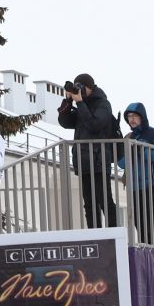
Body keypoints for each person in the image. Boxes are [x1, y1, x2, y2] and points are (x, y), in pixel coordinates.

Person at [56, 74, 119, 229]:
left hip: (99, 159)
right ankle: (94, 233)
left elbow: (94, 124)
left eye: (82, 87)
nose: (80, 91)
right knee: (89, 202)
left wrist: (80, 103)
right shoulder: (80, 104)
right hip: (83, 161)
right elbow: (64, 122)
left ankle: (112, 232)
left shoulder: (103, 104)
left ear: (91, 87)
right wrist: (68, 101)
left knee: (104, 199)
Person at [121, 102, 154, 245]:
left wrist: (142, 150)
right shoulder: (128, 137)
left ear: (142, 117)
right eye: (129, 117)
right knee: (138, 218)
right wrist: (131, 153)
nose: (132, 119)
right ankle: (144, 245)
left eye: (135, 116)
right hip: (135, 185)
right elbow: (121, 163)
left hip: (153, 183)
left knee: (150, 216)